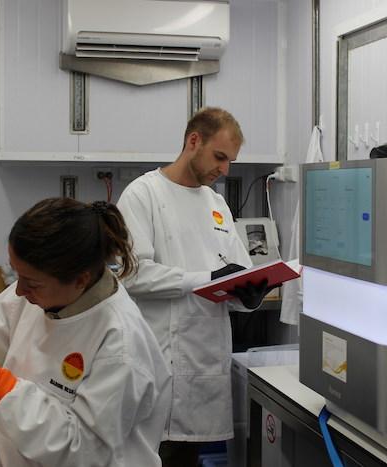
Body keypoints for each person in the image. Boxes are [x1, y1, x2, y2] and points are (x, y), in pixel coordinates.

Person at [0, 198, 171, 467]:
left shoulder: (121, 345)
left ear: (81, 279)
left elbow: (84, 452)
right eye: (17, 275)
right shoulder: (40, 293)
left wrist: (0, 386)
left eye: (30, 282)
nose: (18, 291)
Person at [116, 107, 273, 466]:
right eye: (220, 157)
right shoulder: (143, 195)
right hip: (158, 361)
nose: (225, 170)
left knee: (186, 458)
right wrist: (205, 279)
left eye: (231, 161)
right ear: (193, 141)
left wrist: (249, 296)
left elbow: (238, 273)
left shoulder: (217, 204)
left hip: (204, 363)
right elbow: (133, 274)